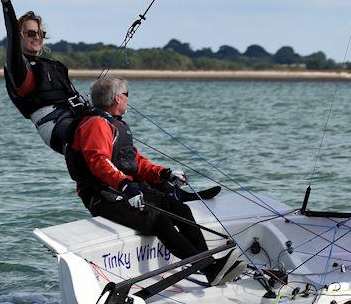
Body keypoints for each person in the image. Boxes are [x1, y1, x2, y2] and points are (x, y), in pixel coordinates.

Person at [66, 76, 246, 286]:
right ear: (117, 98)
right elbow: (99, 161)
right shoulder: (95, 124)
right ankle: (209, 268)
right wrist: (125, 185)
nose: (128, 99)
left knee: (180, 209)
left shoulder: (116, 125)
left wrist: (164, 173)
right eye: (126, 95)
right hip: (102, 195)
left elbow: (137, 163)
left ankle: (211, 267)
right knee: (159, 221)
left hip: (125, 190)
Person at [0, 0, 87, 154]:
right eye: (31, 33)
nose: (37, 37)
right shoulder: (19, 68)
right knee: (92, 133)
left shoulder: (54, 66)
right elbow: (12, 30)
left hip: (76, 117)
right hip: (54, 126)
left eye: (40, 33)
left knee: (115, 120)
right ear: (20, 36)